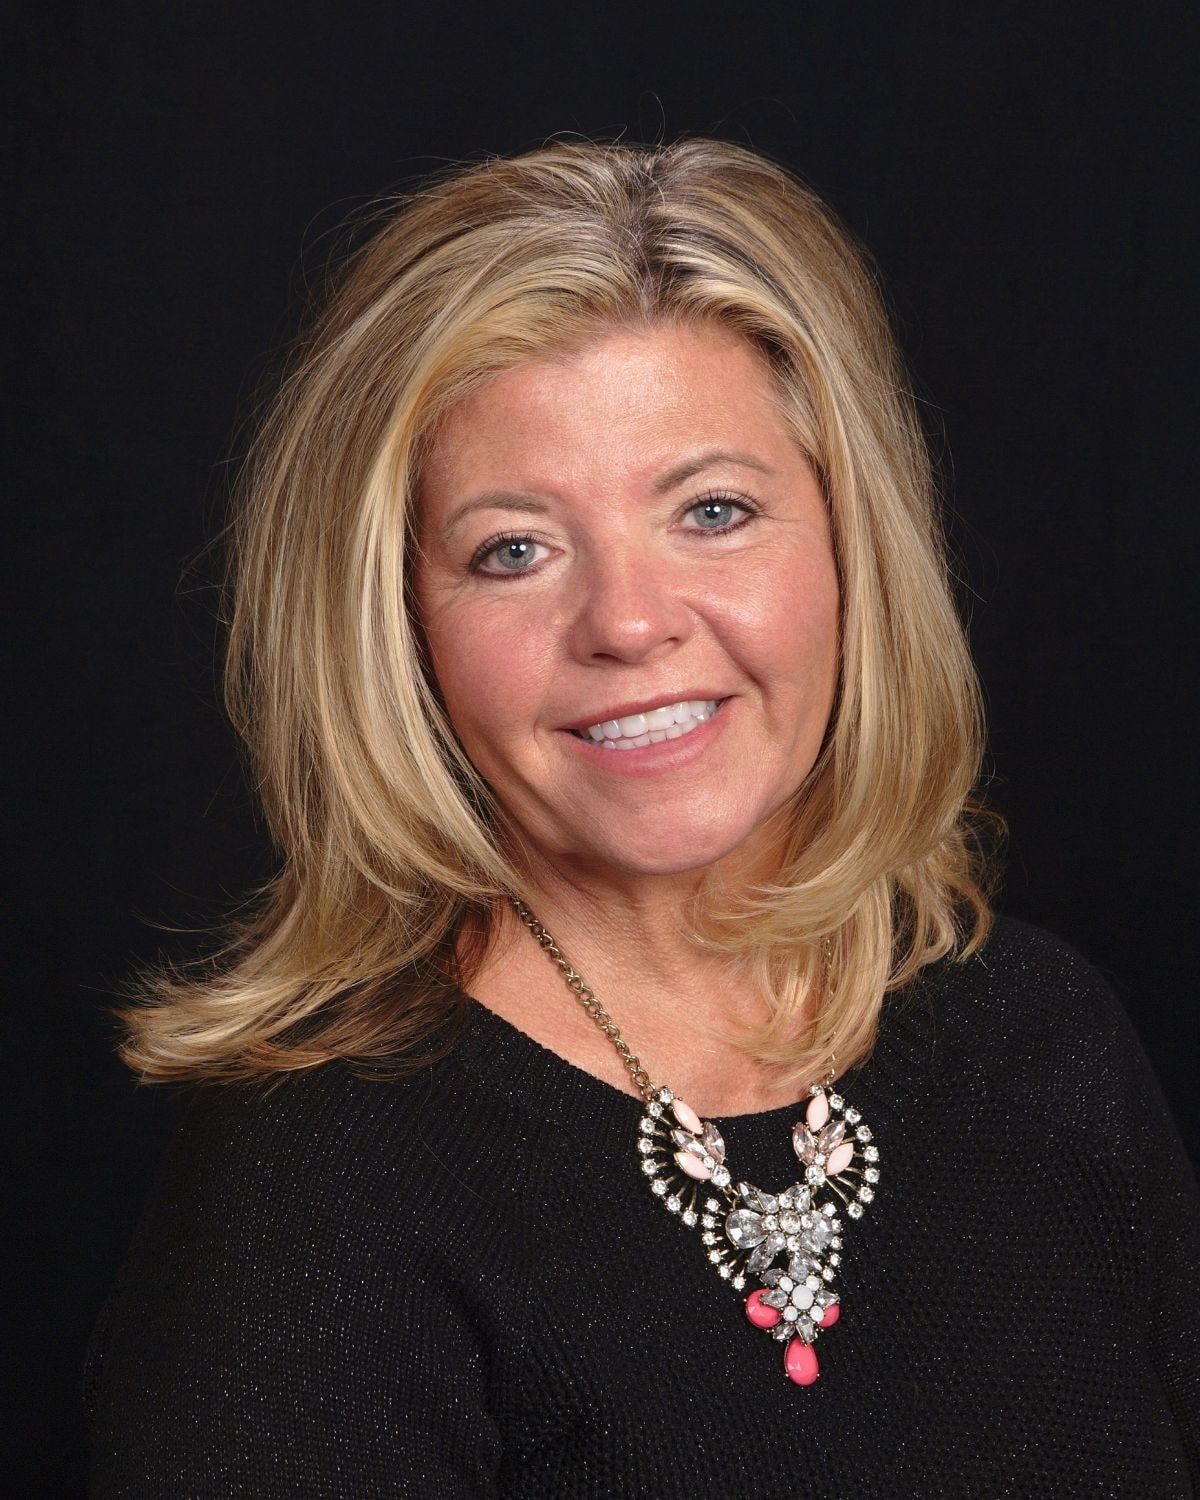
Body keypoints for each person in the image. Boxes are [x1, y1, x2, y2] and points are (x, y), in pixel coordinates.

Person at [84, 137, 1199, 1497]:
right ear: (398, 627)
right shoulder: (314, 1193)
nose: (626, 621)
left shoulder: (1043, 1043)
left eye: (714, 510)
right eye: (514, 549)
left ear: (855, 547)